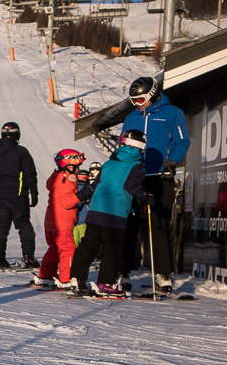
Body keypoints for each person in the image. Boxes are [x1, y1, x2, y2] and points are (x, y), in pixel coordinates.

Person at [121, 76, 189, 293]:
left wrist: (172, 160)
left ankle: (163, 274)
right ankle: (123, 271)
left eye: (140, 99)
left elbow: (182, 141)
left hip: (160, 176)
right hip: (135, 175)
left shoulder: (173, 113)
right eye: (133, 101)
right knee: (130, 224)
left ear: (151, 94)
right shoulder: (131, 117)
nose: (136, 104)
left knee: (159, 224)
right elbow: (123, 143)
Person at [69, 129, 151, 296]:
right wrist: (147, 197)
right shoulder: (136, 166)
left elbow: (95, 185)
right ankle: (106, 283)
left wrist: (75, 198)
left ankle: (76, 278)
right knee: (112, 248)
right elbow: (132, 187)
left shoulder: (109, 163)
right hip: (115, 213)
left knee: (88, 245)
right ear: (140, 147)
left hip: (96, 209)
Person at [0, 121, 39, 269]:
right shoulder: (21, 152)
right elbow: (30, 174)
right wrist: (34, 192)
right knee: (23, 225)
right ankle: (29, 257)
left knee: (2, 226)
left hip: (0, 197)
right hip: (18, 197)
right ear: (17, 134)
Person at [33, 149, 85, 287]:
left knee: (54, 249)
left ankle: (46, 275)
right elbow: (66, 202)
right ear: (70, 166)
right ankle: (66, 279)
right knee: (67, 249)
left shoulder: (57, 177)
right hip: (62, 222)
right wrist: (83, 194)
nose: (79, 169)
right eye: (78, 166)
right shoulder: (66, 181)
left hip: (51, 222)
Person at [72, 162, 101, 248]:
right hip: (82, 220)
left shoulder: (76, 187)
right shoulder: (86, 188)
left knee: (76, 241)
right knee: (82, 240)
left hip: (77, 220)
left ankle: (74, 256)